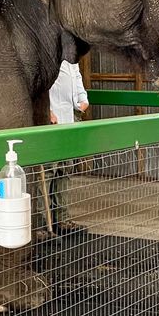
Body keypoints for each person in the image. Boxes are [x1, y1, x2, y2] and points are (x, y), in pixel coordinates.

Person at [42, 61, 89, 233]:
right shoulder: (48, 53)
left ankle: (62, 219)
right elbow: (41, 85)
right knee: (48, 171)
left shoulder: (72, 60)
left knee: (65, 169)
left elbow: (77, 78)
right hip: (52, 121)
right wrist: (46, 111)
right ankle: (42, 223)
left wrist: (83, 99)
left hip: (70, 119)